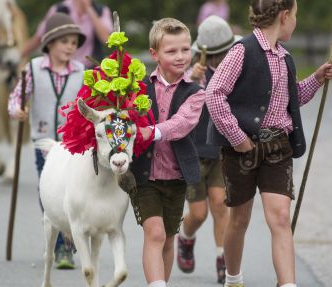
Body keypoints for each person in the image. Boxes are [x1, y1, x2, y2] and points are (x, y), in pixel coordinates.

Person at [205, 0, 332, 287]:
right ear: (285, 16)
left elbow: (292, 98)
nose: (296, 21)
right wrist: (237, 138)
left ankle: (287, 284)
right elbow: (214, 94)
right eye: (296, 15)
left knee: (280, 217)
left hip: (278, 147)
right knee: (239, 218)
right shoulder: (242, 51)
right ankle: (233, 279)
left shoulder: (284, 57)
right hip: (243, 150)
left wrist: (317, 78)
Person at [128, 18, 206, 287]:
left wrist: (153, 131)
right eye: (171, 51)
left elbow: (182, 123)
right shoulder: (139, 88)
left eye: (185, 49)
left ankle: (162, 281)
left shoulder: (195, 93)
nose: (181, 56)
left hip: (176, 177)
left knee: (169, 236)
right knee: (155, 232)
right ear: (155, 54)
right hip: (144, 175)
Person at [8, 12, 86, 270]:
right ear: (50, 43)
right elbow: (17, 97)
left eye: (74, 43)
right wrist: (16, 111)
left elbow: (87, 103)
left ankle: (66, 243)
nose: (70, 47)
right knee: (49, 191)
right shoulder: (32, 69)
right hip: (44, 142)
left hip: (72, 144)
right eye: (64, 42)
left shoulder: (81, 71)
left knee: (72, 191)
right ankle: (59, 242)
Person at [176, 15, 241, 284]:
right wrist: (193, 80)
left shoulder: (235, 71)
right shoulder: (189, 73)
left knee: (220, 205)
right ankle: (186, 237)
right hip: (193, 151)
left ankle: (222, 260)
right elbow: (178, 105)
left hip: (220, 150)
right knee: (199, 213)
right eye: (213, 55)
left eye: (224, 53)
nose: (219, 59)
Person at [22, 0, 113, 67]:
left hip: (89, 68)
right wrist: (19, 55)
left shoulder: (101, 11)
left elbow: (106, 39)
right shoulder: (59, 9)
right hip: (60, 67)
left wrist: (89, 9)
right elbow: (39, 38)